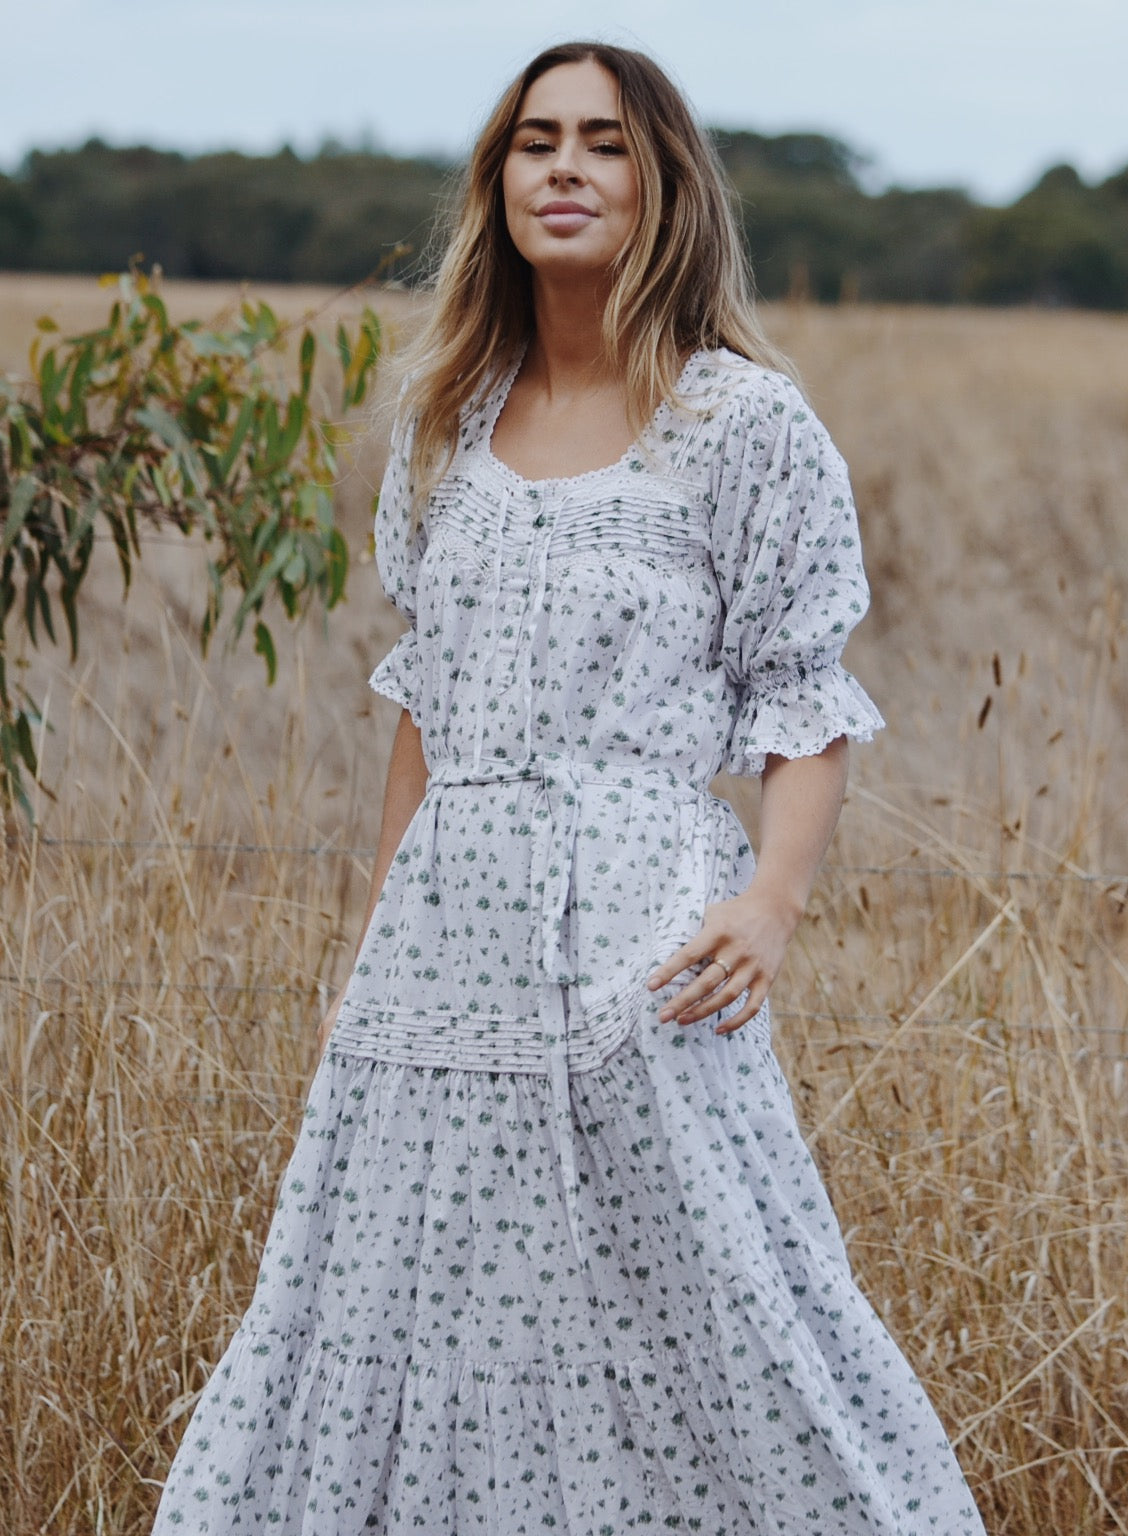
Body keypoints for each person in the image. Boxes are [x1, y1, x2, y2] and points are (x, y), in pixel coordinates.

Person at [153, 41, 987, 1536]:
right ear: (498, 182)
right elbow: (427, 700)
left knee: (713, 1299)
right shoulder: (448, 426)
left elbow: (804, 691)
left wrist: (770, 902)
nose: (564, 169)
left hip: (645, 938)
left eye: (603, 143)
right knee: (408, 1309)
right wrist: (368, 949)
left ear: (660, 182)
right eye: (535, 141)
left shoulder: (744, 425)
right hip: (442, 941)